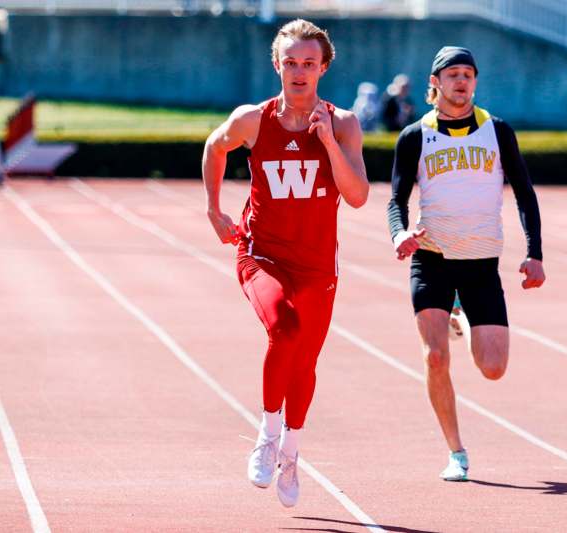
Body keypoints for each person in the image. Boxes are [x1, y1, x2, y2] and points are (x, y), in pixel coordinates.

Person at [201, 19, 368, 507]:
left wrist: (330, 145)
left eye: (308, 64)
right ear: (277, 64)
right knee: (284, 329)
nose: (299, 72)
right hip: (262, 255)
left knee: (306, 363)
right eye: (290, 62)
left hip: (317, 265)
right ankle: (268, 431)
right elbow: (215, 146)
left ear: (323, 68)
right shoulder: (254, 120)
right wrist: (214, 210)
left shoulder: (343, 123)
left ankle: (292, 450)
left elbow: (356, 196)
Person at [386, 46, 545, 481]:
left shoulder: (497, 131)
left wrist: (535, 253)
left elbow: (526, 194)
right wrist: (400, 234)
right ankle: (456, 452)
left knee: (493, 368)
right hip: (432, 260)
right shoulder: (416, 136)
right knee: (435, 357)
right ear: (435, 82)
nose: (462, 81)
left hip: (480, 263)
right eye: (453, 74)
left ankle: (462, 311)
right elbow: (396, 200)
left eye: (468, 74)